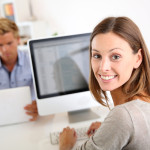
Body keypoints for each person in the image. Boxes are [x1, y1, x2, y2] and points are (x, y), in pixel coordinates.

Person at [59, 16, 150, 150]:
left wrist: (65, 145)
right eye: (97, 56)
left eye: (115, 56)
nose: (103, 67)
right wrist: (109, 130)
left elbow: (126, 121)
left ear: (138, 58)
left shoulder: (123, 116)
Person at [0, 18, 38, 121]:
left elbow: (44, 96)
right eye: (0, 45)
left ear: (18, 40)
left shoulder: (33, 61)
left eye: (9, 43)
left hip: (30, 119)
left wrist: (40, 106)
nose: (4, 50)